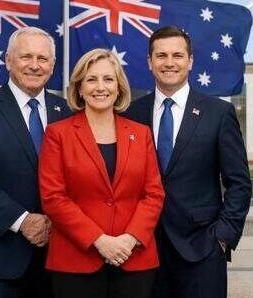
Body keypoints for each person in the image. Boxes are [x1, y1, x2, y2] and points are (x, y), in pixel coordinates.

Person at [122, 25, 252, 298]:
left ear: (190, 61)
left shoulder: (218, 113)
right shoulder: (130, 114)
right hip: (142, 248)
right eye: (161, 55)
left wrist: (223, 236)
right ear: (149, 62)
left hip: (202, 249)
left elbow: (239, 182)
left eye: (178, 55)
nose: (169, 62)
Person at [0, 26, 71, 298]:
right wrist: (23, 221)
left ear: (52, 66)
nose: (34, 65)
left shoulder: (67, 111)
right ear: (8, 60)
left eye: (42, 58)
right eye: (26, 56)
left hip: (57, 260)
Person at [38, 48, 164, 298]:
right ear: (79, 88)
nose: (100, 87)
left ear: (119, 87)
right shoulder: (57, 134)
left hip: (133, 258)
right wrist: (99, 240)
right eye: (91, 79)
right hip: (76, 261)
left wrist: (129, 239)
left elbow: (154, 194)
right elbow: (53, 198)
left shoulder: (141, 134)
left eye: (108, 79)